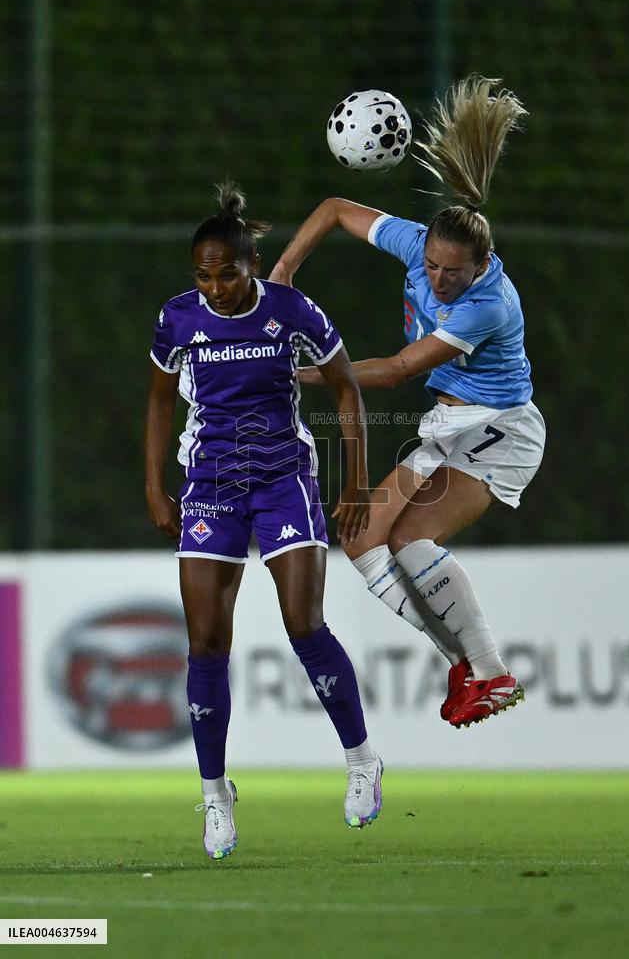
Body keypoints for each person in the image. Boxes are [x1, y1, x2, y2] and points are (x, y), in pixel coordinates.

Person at [269, 75, 546, 730]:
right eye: (434, 265)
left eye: (455, 271)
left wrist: (311, 372)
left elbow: (394, 371)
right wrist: (281, 275)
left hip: (500, 431)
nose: (440, 280)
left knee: (415, 537)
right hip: (450, 428)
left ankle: (495, 674)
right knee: (363, 536)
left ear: (482, 267)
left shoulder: (487, 305)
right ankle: (468, 665)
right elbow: (335, 207)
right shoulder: (418, 248)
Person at [144, 182, 382, 860]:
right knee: (205, 643)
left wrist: (356, 479)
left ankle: (362, 759)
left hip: (283, 482)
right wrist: (156, 488)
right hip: (210, 486)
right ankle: (216, 796)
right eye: (204, 275)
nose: (215, 287)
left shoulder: (292, 311)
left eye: (228, 273)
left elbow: (343, 385)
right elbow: (161, 403)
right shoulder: (178, 320)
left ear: (253, 266)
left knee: (304, 623)